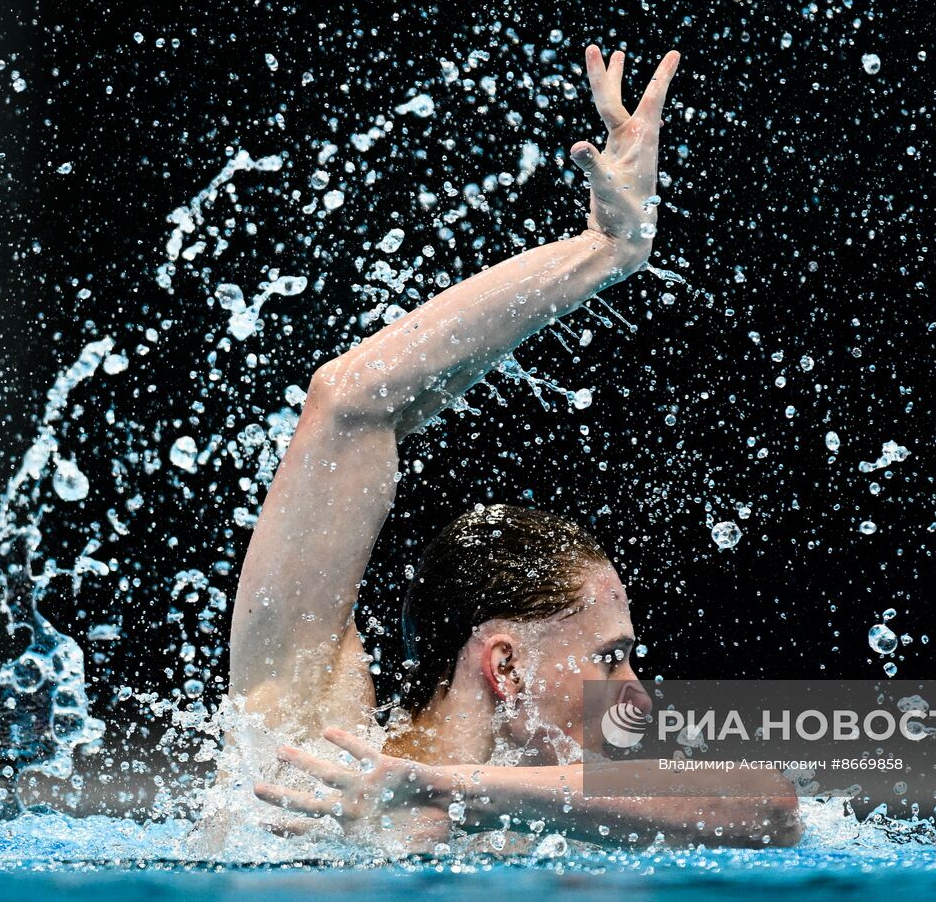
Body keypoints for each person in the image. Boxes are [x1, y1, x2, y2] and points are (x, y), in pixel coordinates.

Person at [226, 45, 802, 852]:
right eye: (612, 658)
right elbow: (350, 402)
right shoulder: (311, 744)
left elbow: (772, 808)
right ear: (506, 664)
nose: (637, 693)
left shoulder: (549, 812)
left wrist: (454, 791)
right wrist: (604, 252)